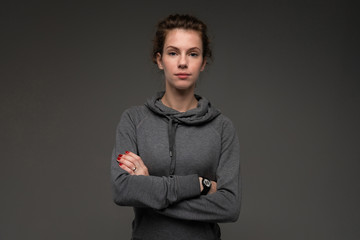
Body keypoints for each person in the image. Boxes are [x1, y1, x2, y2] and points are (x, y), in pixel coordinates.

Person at [111, 14, 241, 240]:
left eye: (193, 53)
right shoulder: (133, 120)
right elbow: (122, 190)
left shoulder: (222, 127)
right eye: (173, 53)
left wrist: (150, 192)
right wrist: (200, 185)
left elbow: (229, 206)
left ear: (202, 63)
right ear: (159, 60)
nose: (183, 62)